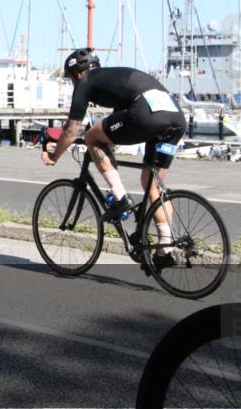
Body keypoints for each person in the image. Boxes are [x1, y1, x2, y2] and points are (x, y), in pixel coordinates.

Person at [42, 48, 187, 268]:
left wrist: (54, 156)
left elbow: (71, 131)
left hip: (146, 114)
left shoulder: (85, 81)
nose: (73, 84)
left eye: (71, 79)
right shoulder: (115, 79)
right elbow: (117, 127)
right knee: (153, 185)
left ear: (77, 73)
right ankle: (165, 248)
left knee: (91, 138)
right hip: (176, 119)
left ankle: (120, 198)